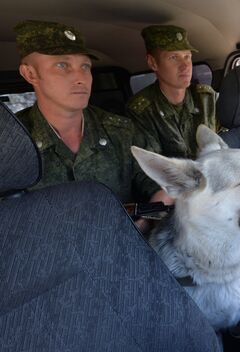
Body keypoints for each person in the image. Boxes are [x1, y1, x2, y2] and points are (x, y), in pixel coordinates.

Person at [14, 20, 169, 228]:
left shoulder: (122, 132)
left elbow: (163, 184)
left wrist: (143, 223)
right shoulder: (11, 145)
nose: (80, 78)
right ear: (30, 74)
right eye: (62, 65)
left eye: (85, 66)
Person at [126, 25, 216, 159]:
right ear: (153, 63)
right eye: (174, 57)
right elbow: (152, 164)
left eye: (187, 56)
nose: (185, 65)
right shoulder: (142, 111)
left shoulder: (205, 97)